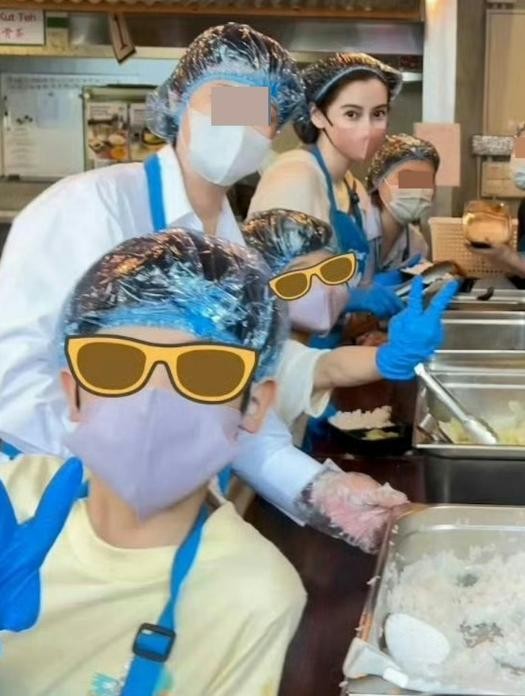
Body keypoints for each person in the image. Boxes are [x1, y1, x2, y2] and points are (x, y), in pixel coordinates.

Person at [0, 229, 307, 696]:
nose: (153, 399)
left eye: (206, 370)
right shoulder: (9, 503)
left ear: (254, 406)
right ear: (73, 392)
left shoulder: (254, 596)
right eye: (115, 365)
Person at [241, 209, 459, 445]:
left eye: (332, 271)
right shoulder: (270, 356)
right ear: (261, 289)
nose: (324, 289)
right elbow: (331, 367)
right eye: (296, 281)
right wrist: (392, 356)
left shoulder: (287, 342)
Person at [248, 52, 406, 321]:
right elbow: (270, 291)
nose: (368, 129)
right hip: (293, 344)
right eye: (352, 114)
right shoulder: (295, 176)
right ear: (317, 115)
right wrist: (349, 299)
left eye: (378, 114)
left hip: (334, 338)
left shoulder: (352, 186)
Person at [364, 133, 439, 281]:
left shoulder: (417, 244)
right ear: (379, 181)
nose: (417, 189)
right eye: (407, 179)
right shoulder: (356, 228)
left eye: (424, 181)